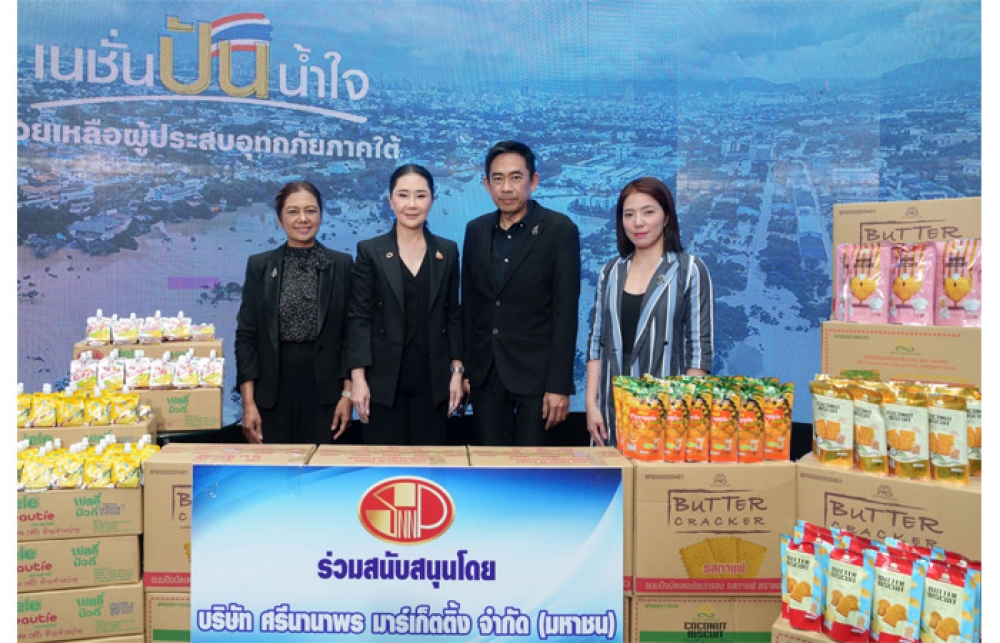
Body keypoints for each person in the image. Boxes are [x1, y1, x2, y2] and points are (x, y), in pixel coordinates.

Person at [461, 141, 581, 446]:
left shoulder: (560, 230)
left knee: (532, 467)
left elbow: (565, 314)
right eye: (498, 179)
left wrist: (559, 385)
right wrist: (467, 371)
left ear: (533, 180)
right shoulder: (475, 230)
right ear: (486, 184)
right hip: (486, 374)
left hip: (537, 377)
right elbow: (471, 308)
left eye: (516, 177)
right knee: (490, 464)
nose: (506, 187)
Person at [585, 176, 714, 448]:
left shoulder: (689, 270)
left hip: (667, 410)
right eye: (629, 214)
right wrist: (591, 405)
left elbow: (699, 352)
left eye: (648, 212)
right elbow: (596, 344)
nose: (638, 222)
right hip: (610, 409)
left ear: (666, 217)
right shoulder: (610, 272)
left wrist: (681, 410)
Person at [347, 164, 464, 445]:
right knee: (385, 462)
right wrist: (358, 379)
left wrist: (457, 371)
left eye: (421, 196)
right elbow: (359, 318)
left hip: (433, 379)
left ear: (432, 200)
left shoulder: (447, 251)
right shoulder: (370, 251)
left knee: (431, 461)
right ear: (390, 200)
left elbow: (453, 314)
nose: (412, 204)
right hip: (383, 380)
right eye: (403, 195)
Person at [234, 180, 354, 444]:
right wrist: (248, 404)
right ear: (280, 219)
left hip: (326, 391)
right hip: (272, 390)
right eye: (293, 211)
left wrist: (347, 395)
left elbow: (350, 335)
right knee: (276, 465)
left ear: (321, 215)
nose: (303, 219)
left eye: (310, 211)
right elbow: (247, 337)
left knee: (322, 464)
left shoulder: (342, 265)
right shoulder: (260, 265)